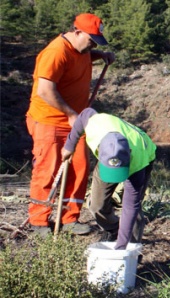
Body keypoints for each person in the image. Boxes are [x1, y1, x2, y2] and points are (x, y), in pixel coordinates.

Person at [26, 13, 115, 235]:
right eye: (91, 40)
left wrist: (100, 54)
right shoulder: (55, 52)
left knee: (78, 169)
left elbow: (82, 55)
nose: (92, 44)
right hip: (50, 121)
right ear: (76, 32)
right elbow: (45, 91)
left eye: (96, 42)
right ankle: (38, 221)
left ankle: (69, 218)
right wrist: (70, 114)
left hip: (75, 120)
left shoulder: (81, 49)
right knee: (47, 170)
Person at [62, 108, 157, 249]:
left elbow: (130, 207)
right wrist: (69, 146)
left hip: (141, 156)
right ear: (100, 152)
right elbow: (83, 115)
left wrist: (121, 250)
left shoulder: (138, 161)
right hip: (109, 157)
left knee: (133, 211)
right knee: (97, 205)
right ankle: (113, 228)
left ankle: (133, 247)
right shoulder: (95, 125)